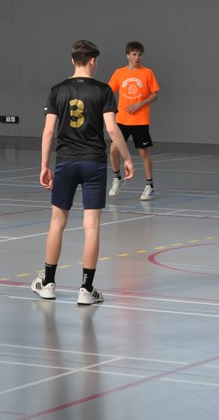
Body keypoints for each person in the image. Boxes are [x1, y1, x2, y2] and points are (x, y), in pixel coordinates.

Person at [31, 40, 134, 305]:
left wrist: (44, 165)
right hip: (94, 163)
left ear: (72, 60)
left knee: (57, 222)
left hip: (66, 162)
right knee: (92, 226)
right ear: (92, 61)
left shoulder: (57, 90)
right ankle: (86, 289)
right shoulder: (103, 90)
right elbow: (111, 129)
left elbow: (48, 131)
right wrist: (126, 158)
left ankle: (48, 284)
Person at [107, 41, 160, 201]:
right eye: (134, 54)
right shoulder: (119, 73)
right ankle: (117, 178)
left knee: (143, 152)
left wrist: (140, 103)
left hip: (140, 120)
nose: (137, 57)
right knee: (113, 150)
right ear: (127, 55)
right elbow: (108, 92)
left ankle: (149, 186)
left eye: (139, 54)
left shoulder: (147, 73)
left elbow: (154, 95)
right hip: (122, 119)